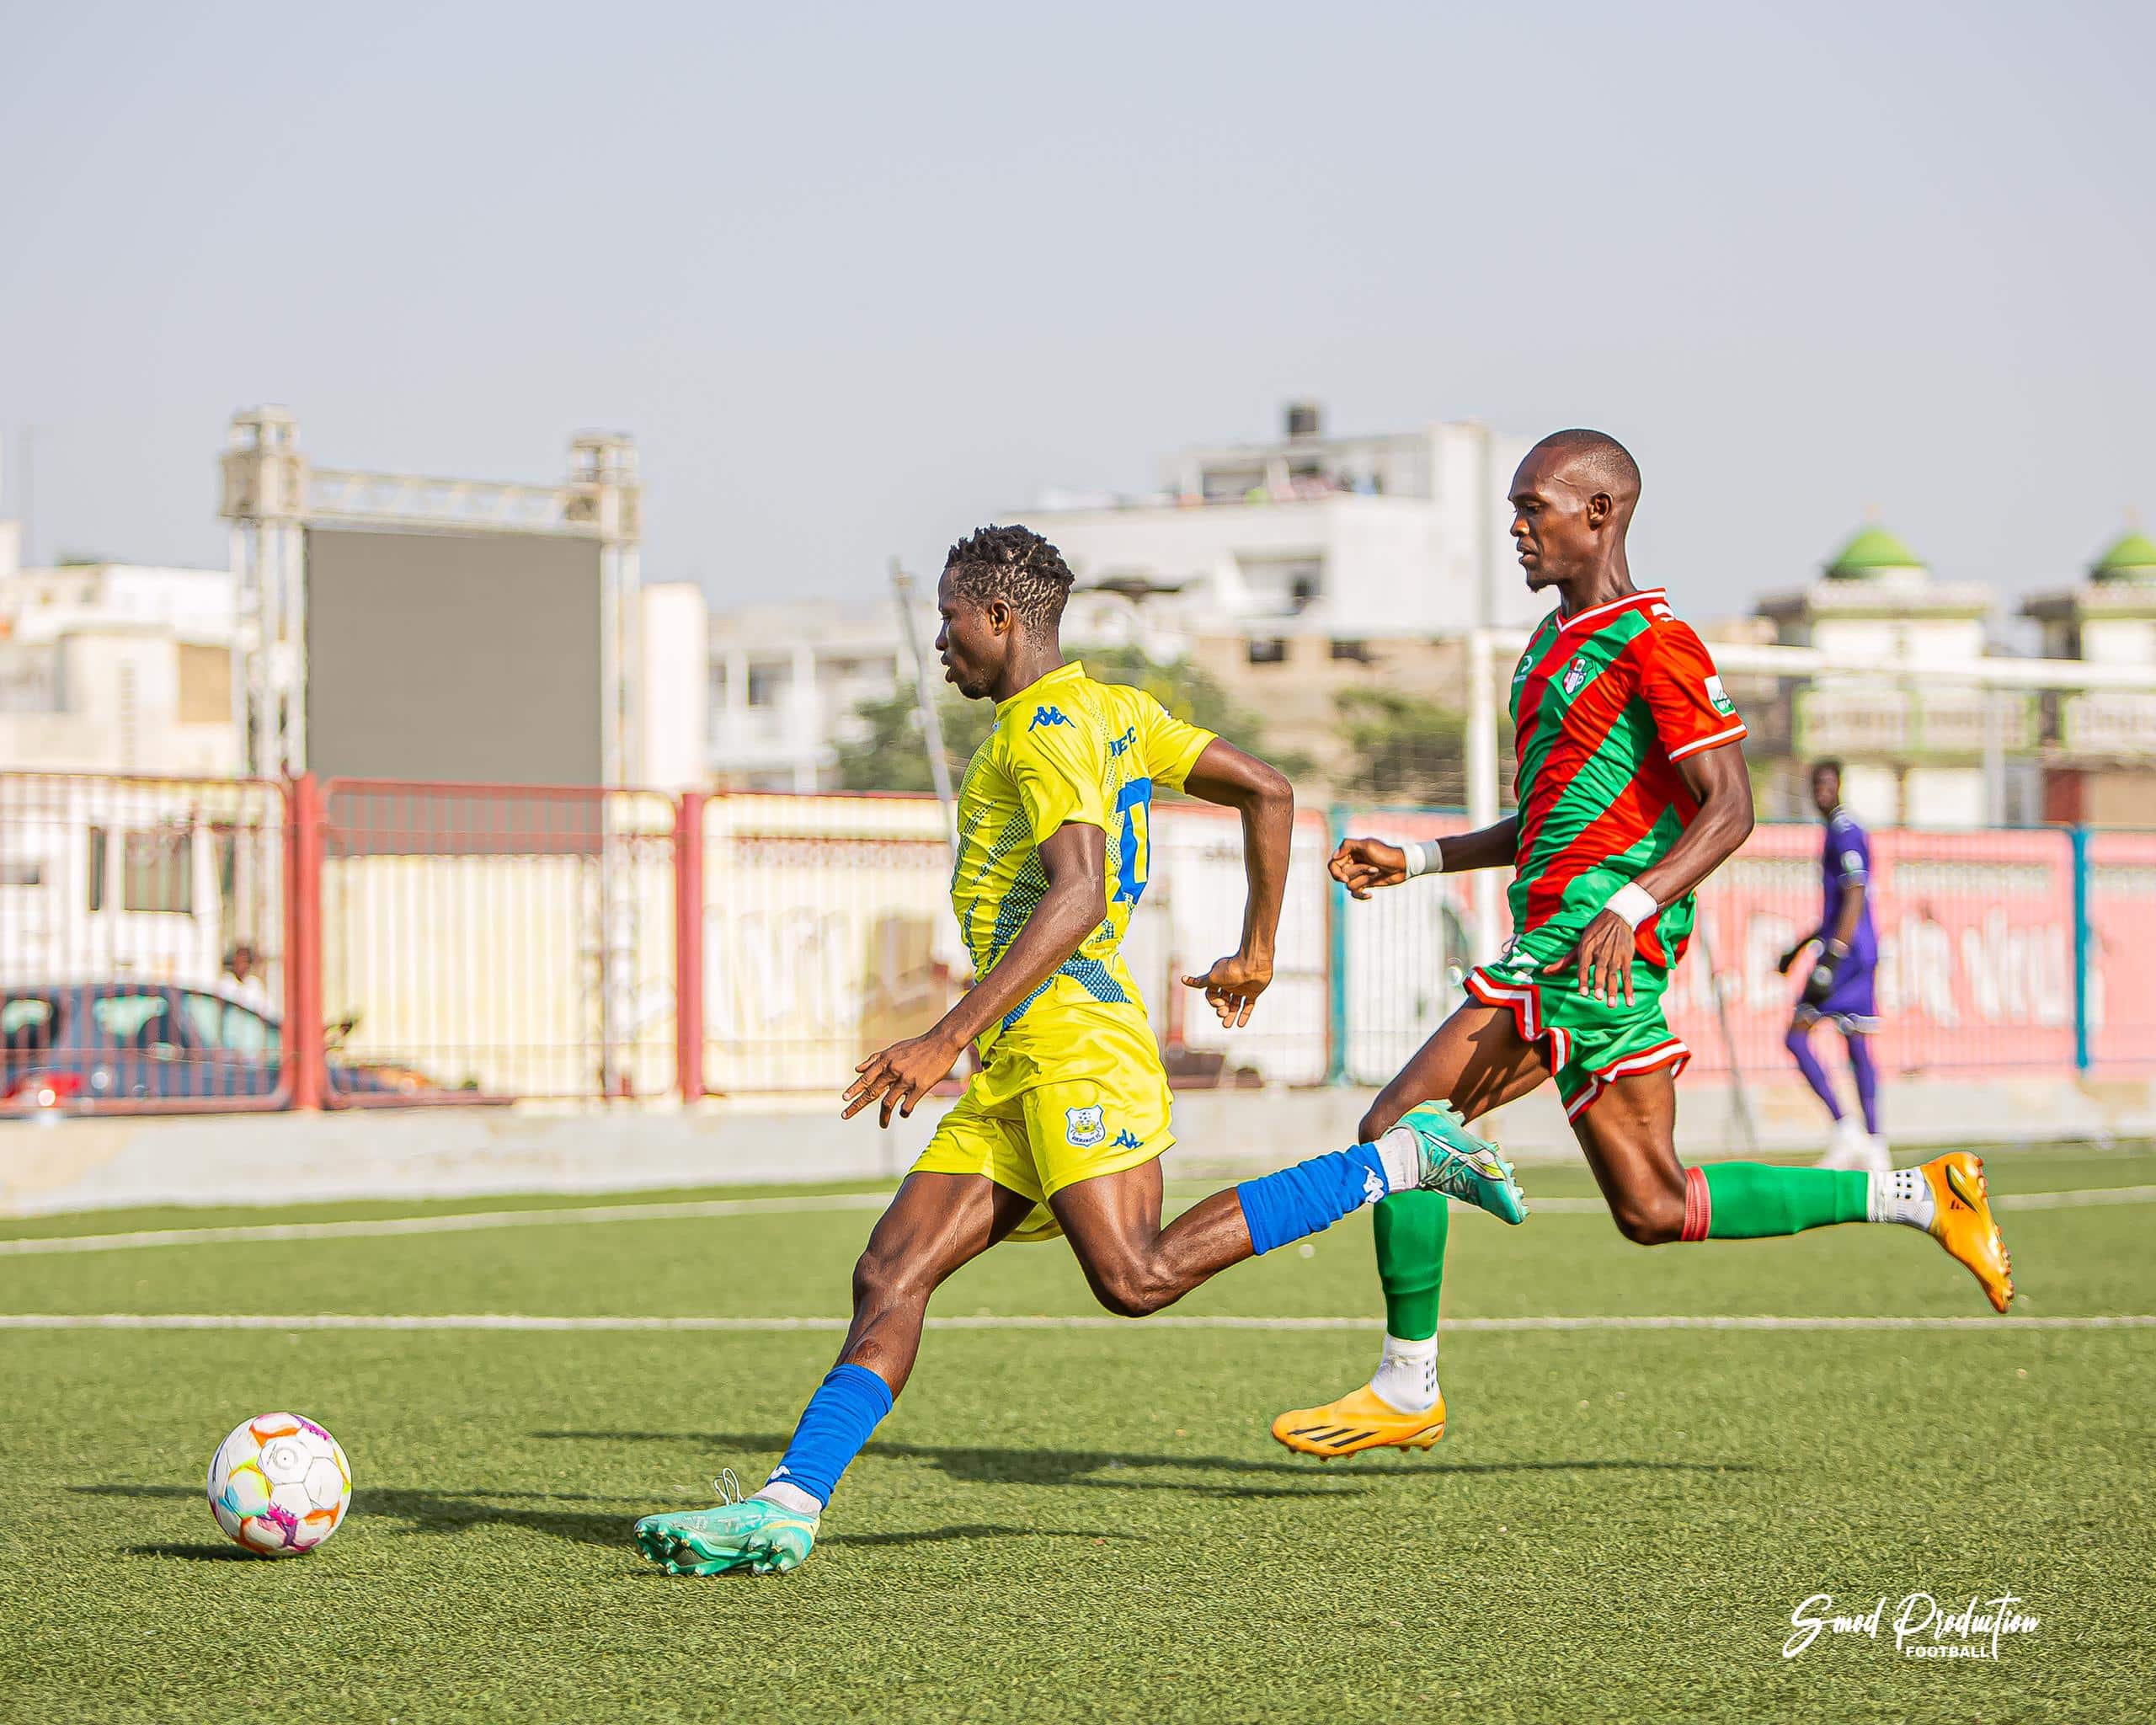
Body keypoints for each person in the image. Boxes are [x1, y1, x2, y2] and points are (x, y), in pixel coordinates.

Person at [632, 525, 1529, 1575]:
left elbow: (1081, 892)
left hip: (1073, 1042)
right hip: (1022, 1052)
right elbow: (1269, 789)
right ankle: (788, 1504)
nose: (940, 640)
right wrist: (1255, 949)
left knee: (1134, 1276)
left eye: (949, 618)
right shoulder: (1115, 711)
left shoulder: (1043, 729)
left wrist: (944, 1034)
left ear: (999, 617)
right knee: (890, 1270)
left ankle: (1404, 1157)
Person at [1269, 430, 2014, 1461]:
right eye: (1513, 508)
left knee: (1403, 1122)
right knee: (1654, 1204)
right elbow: (1544, 818)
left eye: (1534, 506)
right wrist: (1422, 857)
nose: (1517, 527)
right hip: (1575, 946)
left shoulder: (1655, 640)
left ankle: (1408, 1382)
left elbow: (1730, 806)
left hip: (1583, 949)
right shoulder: (1546, 646)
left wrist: (1630, 901)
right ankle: (1921, 1194)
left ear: (1600, 513)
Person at [1779, 761, 1887, 1172]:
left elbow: (1856, 892)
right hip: (1853, 950)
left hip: (1848, 956)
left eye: (1828, 784)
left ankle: (1852, 1132)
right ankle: (1871, 1142)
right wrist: (1798, 949)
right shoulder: (1835, 830)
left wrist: (1833, 957)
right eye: (1816, 785)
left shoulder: (1845, 831)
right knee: (1854, 1041)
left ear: (1840, 786)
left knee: (1796, 1036)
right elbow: (1836, 909)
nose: (1821, 791)